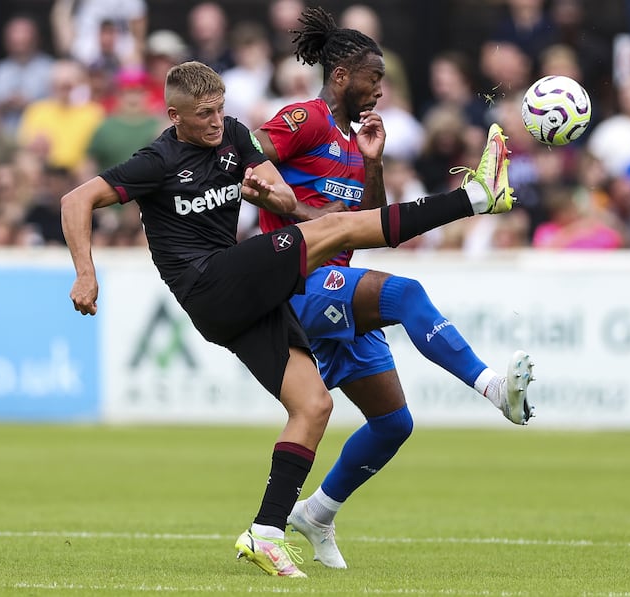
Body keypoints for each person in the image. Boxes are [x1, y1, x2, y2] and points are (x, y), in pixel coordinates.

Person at [61, 60, 525, 578]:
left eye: (220, 110)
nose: (216, 122)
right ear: (174, 116)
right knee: (339, 233)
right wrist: (86, 273)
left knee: (314, 405)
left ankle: (266, 532)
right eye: (204, 114)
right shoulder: (157, 160)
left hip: (241, 298)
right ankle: (475, 197)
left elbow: (276, 189)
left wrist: (278, 196)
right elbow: (76, 199)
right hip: (210, 284)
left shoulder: (234, 137)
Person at [254, 7, 535, 570]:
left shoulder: (352, 139)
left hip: (337, 284)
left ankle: (316, 514)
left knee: (393, 424)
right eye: (374, 77)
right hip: (297, 283)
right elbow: (249, 170)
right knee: (404, 296)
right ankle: (493, 389)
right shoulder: (303, 119)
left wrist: (372, 164)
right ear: (341, 76)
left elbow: (372, 225)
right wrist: (310, 217)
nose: (381, 88)